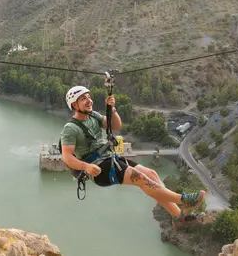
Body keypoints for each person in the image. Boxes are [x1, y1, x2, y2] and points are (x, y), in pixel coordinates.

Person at [60, 85, 207, 227]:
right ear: (74, 105)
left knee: (151, 174)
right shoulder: (70, 128)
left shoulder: (93, 116)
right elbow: (67, 157)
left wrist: (113, 109)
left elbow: (116, 126)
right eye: (83, 99)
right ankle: (184, 200)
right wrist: (86, 166)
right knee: (141, 179)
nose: (89, 100)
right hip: (98, 169)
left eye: (89, 97)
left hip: (110, 159)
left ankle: (178, 217)